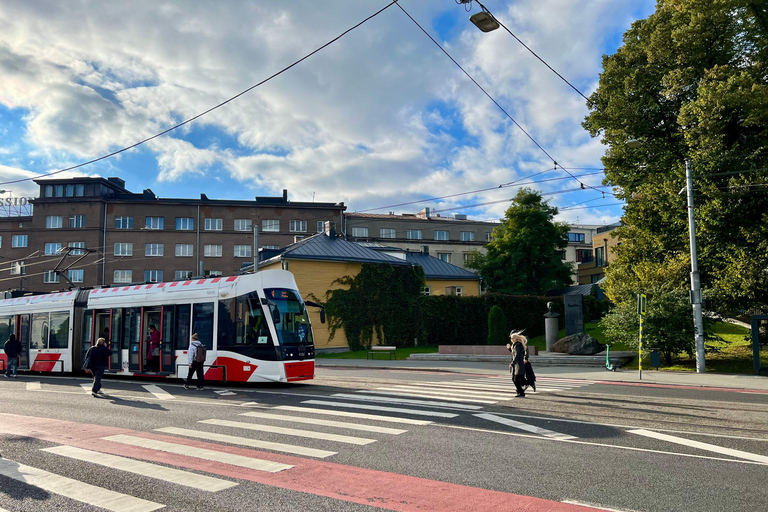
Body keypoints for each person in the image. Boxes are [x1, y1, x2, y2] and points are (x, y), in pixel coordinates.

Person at [507, 330, 528, 397]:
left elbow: (517, 355)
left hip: (518, 365)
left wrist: (512, 363)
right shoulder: (515, 345)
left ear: (515, 339)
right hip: (516, 365)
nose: (511, 339)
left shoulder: (517, 345)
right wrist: (510, 349)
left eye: (512, 338)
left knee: (516, 380)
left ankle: (521, 392)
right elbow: (513, 354)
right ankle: (520, 392)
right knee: (516, 379)